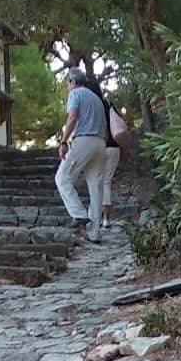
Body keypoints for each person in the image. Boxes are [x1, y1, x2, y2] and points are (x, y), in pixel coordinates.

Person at [54, 70, 108, 240]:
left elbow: (72, 117)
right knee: (96, 187)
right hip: (100, 142)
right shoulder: (96, 99)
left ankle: (79, 214)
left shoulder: (76, 94)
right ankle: (95, 232)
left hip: (84, 140)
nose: (68, 87)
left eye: (67, 84)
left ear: (72, 81)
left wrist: (63, 142)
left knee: (62, 178)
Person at [98, 88, 130, 232]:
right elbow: (118, 129)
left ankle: (98, 216)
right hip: (114, 148)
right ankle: (106, 218)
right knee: (106, 182)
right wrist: (124, 149)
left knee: (97, 182)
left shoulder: (93, 106)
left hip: (100, 146)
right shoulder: (109, 105)